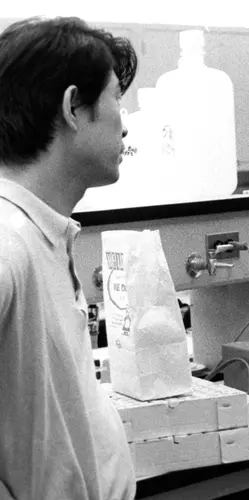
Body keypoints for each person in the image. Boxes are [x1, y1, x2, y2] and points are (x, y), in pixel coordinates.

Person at [0, 17, 138, 499]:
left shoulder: (41, 233)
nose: (126, 119)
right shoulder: (8, 240)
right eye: (117, 98)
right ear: (73, 108)